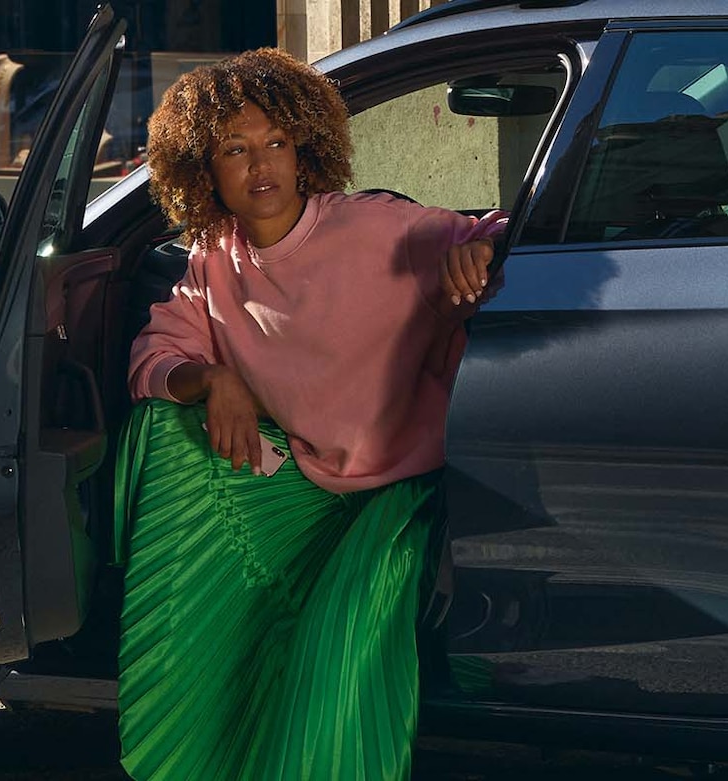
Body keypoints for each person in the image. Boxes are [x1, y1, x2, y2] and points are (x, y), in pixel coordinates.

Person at [110, 48, 506, 781]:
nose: (261, 166)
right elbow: (154, 358)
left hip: (401, 491)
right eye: (234, 149)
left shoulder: (375, 227)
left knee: (337, 637)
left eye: (276, 144)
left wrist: (479, 251)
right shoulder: (210, 255)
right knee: (161, 422)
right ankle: (198, 669)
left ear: (304, 148)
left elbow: (492, 230)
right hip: (300, 483)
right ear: (204, 167)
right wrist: (213, 377)